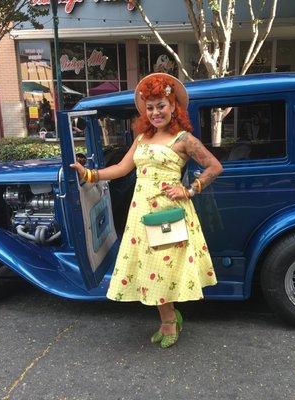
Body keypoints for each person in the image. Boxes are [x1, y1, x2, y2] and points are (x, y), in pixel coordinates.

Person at [70, 73, 223, 348]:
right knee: (152, 268)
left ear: (173, 105)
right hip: (142, 214)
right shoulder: (142, 138)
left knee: (164, 269)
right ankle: (169, 316)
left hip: (169, 214)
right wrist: (89, 174)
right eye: (150, 107)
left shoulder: (184, 139)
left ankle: (169, 322)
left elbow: (214, 167)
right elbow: (121, 169)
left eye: (161, 105)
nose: (155, 112)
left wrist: (189, 190)